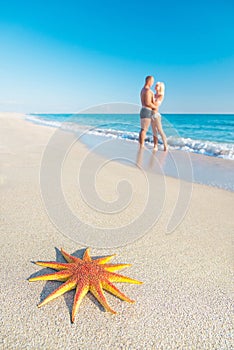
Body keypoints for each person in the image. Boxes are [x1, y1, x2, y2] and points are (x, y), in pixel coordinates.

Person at [139, 76, 160, 148]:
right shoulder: (147, 90)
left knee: (143, 129)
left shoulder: (142, 90)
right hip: (147, 110)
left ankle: (141, 145)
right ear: (149, 81)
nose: (152, 83)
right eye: (152, 81)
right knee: (144, 130)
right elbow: (147, 103)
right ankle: (141, 145)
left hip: (143, 110)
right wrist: (155, 107)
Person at [151, 82, 168, 151]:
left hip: (156, 115)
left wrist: (150, 100)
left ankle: (165, 145)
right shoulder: (154, 95)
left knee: (160, 131)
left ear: (160, 87)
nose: (155, 86)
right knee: (154, 131)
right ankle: (155, 146)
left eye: (157, 85)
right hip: (151, 114)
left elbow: (156, 104)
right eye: (155, 85)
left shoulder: (161, 96)